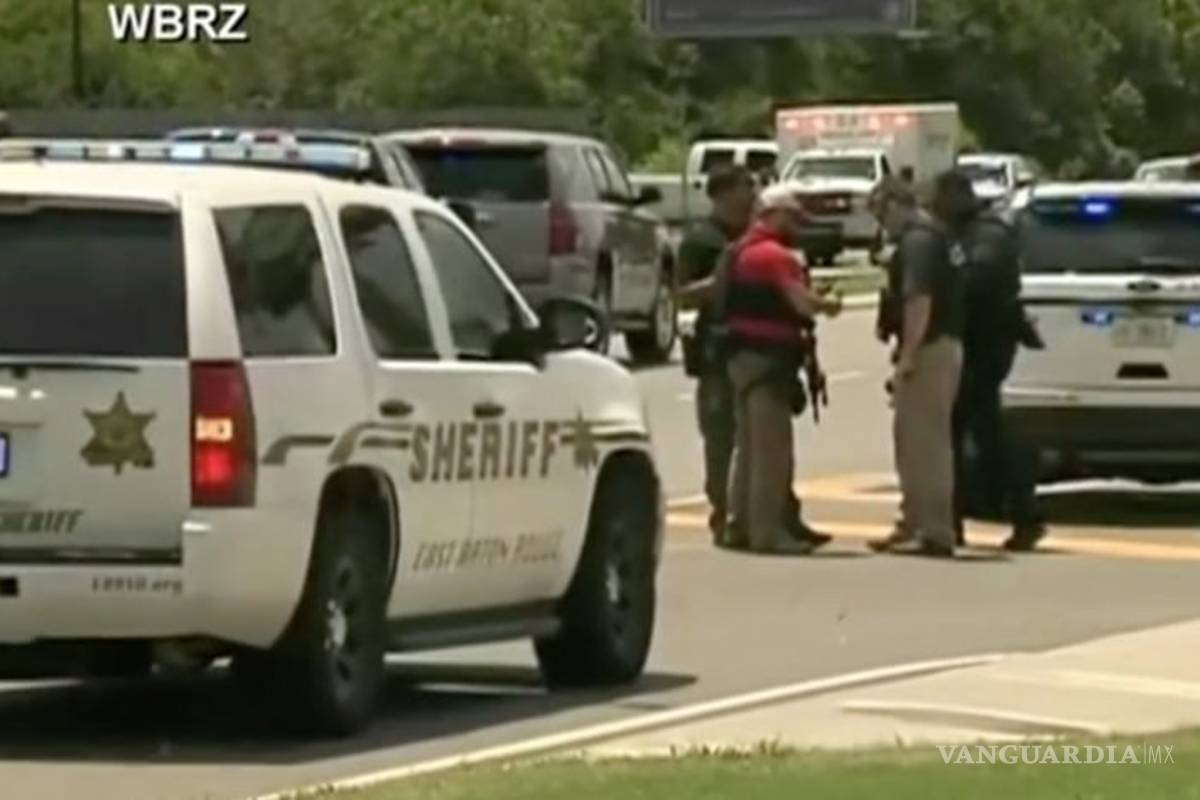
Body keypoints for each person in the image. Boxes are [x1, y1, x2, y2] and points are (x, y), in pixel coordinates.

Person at [677, 166, 826, 550]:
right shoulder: (704, 240)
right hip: (722, 350)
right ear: (722, 193)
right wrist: (726, 281)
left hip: (752, 350)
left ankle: (774, 518)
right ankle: (733, 520)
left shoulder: (748, 241)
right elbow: (681, 293)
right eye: (746, 187)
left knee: (757, 445)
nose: (752, 193)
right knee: (733, 443)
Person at [722, 185, 842, 554]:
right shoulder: (774, 256)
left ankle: (738, 525)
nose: (796, 227)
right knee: (772, 453)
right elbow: (801, 304)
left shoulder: (737, 252)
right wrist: (828, 303)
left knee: (747, 449)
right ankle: (767, 533)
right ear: (774, 215)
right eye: (792, 218)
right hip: (769, 361)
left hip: (739, 356)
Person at [869, 173, 967, 559]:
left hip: (928, 349)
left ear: (895, 204)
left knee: (924, 443)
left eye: (881, 213)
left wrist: (907, 356)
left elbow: (918, 301)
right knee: (914, 442)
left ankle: (933, 530)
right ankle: (913, 523)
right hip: (938, 345)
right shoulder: (935, 235)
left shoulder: (919, 242)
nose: (881, 224)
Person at [954, 185, 1047, 552]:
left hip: (983, 348)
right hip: (977, 347)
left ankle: (1023, 513)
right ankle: (957, 516)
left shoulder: (986, 238)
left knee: (982, 436)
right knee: (970, 434)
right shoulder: (978, 235)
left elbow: (977, 286)